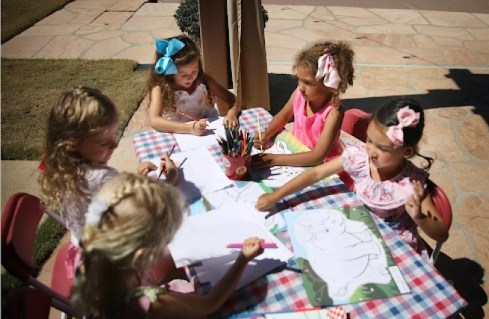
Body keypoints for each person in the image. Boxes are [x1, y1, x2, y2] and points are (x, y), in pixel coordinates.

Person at [255, 99, 449, 260]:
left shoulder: (410, 185)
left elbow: (441, 233)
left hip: (392, 249)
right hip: (355, 231)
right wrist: (276, 196)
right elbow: (316, 173)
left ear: (406, 152)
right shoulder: (359, 157)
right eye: (370, 140)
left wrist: (420, 218)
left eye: (382, 148)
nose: (371, 151)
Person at [72, 173, 264, 318]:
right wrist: (242, 259)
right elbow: (210, 304)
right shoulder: (155, 303)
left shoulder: (88, 259)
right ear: (142, 256)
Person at [38, 86, 178, 278]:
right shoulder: (101, 178)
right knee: (179, 256)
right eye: (105, 143)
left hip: (86, 251)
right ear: (73, 145)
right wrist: (169, 180)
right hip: (115, 269)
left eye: (114, 136)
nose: (115, 145)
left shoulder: (65, 168)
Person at [251, 40, 354, 169]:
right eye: (299, 79)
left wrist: (274, 159)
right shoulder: (299, 94)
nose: (300, 87)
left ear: (330, 86)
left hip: (320, 167)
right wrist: (267, 134)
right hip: (295, 151)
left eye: (308, 83)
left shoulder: (333, 112)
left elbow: (318, 156)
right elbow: (283, 116)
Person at [147, 34, 240, 136]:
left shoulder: (202, 80)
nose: (190, 77)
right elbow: (154, 120)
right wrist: (189, 128)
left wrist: (231, 114)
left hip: (205, 131)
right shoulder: (160, 89)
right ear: (169, 73)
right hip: (178, 134)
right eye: (183, 74)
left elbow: (232, 99)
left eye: (194, 71)